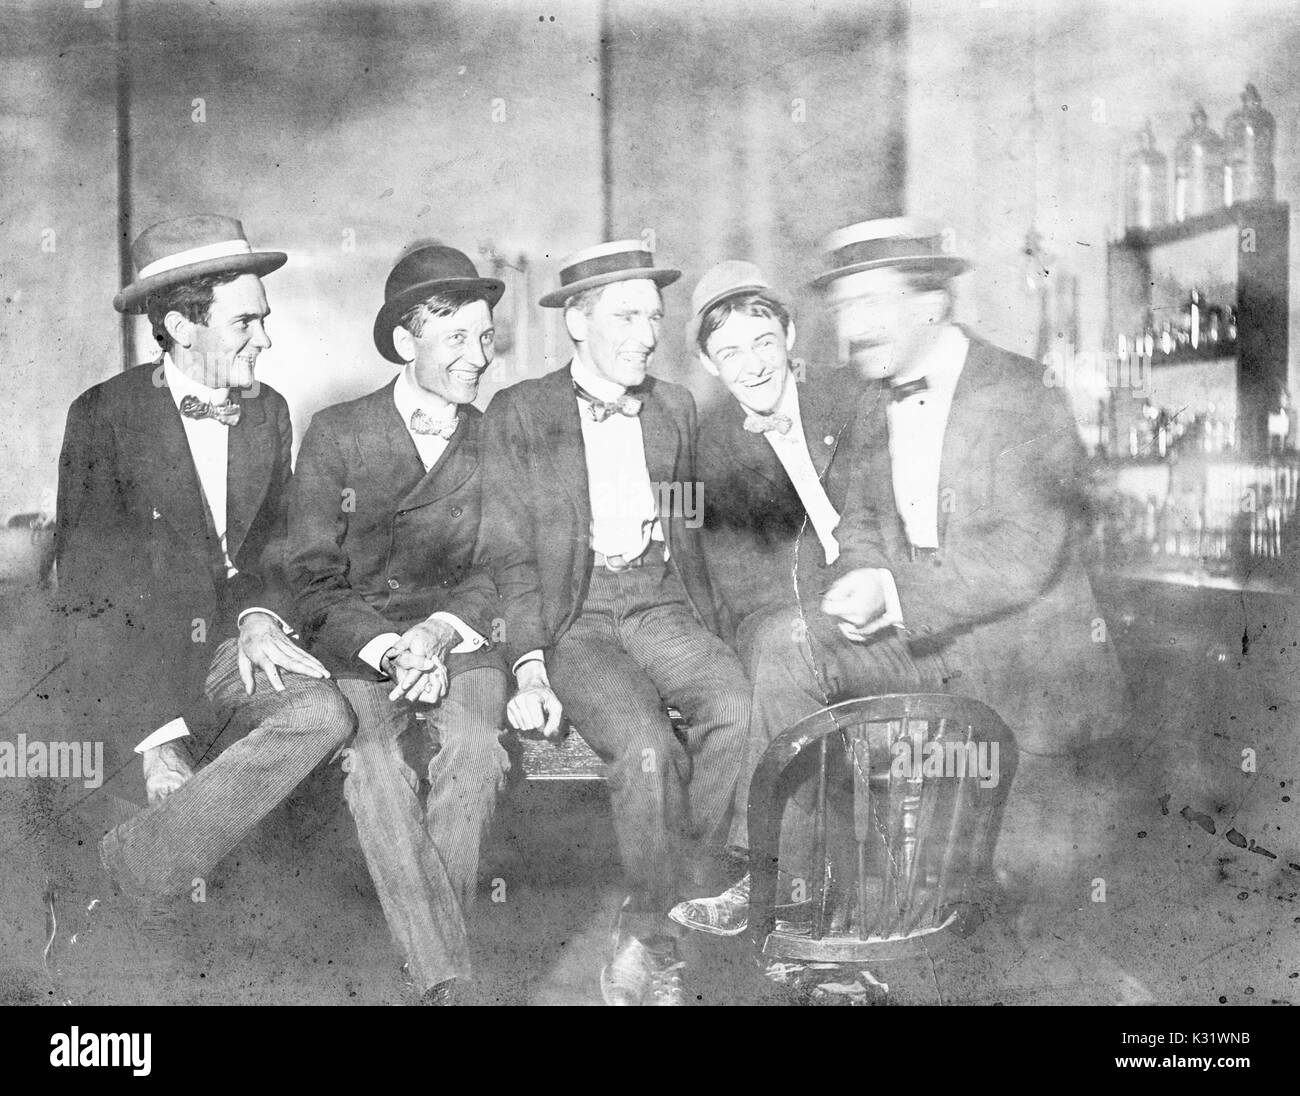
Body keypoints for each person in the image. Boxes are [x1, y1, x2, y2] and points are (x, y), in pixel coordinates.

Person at [670, 218, 1128, 936]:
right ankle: (787, 900)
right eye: (847, 306)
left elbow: (1029, 550)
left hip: (1025, 672)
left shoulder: (1019, 392)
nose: (854, 326)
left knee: (1028, 929)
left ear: (930, 304)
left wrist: (894, 593)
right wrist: (859, 576)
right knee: (792, 645)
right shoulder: (876, 399)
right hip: (925, 650)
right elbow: (859, 523)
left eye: (872, 304)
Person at [54, 214, 355, 996]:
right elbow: (87, 599)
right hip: (141, 667)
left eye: (265, 318)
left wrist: (259, 615)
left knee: (325, 713)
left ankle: (130, 866)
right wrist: (154, 741)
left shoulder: (269, 410)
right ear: (183, 326)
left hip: (234, 651)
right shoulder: (103, 417)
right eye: (246, 321)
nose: (265, 339)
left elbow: (270, 556)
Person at [477, 239, 752, 1005]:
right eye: (625, 316)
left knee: (736, 704)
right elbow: (510, 558)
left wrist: (713, 620)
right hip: (579, 618)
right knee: (643, 750)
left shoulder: (674, 408)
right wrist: (529, 661)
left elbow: (690, 523)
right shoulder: (520, 413)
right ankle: (658, 927)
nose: (644, 335)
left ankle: (672, 908)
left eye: (654, 318)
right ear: (577, 321)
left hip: (660, 603)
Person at [285, 244, 511, 1005]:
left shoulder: (494, 437)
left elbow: (499, 568)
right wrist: (390, 649)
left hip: (463, 642)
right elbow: (312, 580)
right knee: (374, 763)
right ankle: (448, 982)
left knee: (477, 750)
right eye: (458, 340)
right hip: (359, 646)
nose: (478, 358)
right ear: (407, 341)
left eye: (486, 338)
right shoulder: (336, 432)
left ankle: (428, 977)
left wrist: (440, 634)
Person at [689, 260, 864, 660]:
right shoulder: (706, 448)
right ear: (708, 363)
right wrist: (838, 609)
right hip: (792, 619)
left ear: (789, 335)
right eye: (730, 354)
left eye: (764, 343)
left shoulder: (851, 393)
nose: (753, 367)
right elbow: (746, 585)